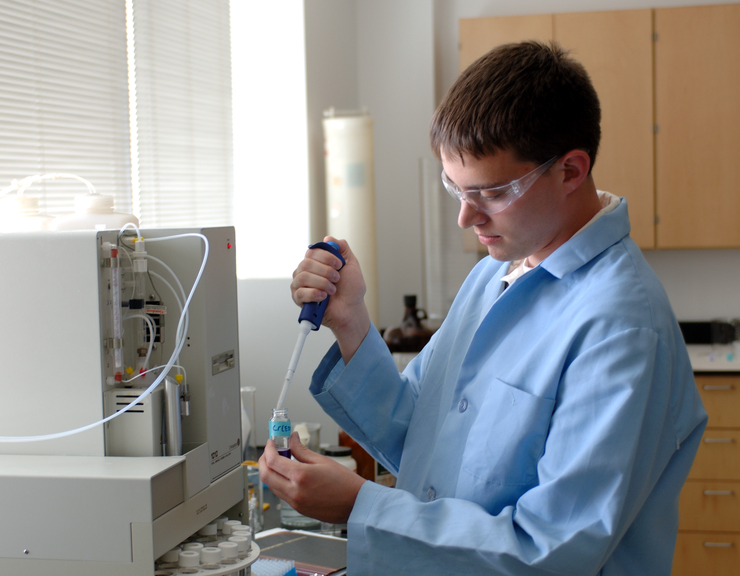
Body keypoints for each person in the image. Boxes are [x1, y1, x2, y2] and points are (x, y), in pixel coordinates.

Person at [259, 41, 707, 576]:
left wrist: (361, 506)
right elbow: (419, 432)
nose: (466, 217)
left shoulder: (621, 327)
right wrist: (351, 318)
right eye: (456, 188)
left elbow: (552, 552)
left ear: (569, 170)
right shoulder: (497, 272)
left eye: (491, 193)